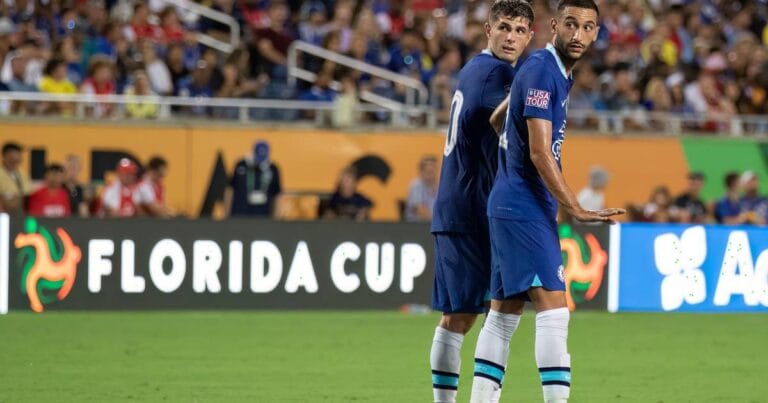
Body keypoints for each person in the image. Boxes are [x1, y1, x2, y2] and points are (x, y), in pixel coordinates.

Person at [475, 1, 624, 402]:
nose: (578, 34)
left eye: (587, 27)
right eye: (571, 24)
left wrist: (509, 163)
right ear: (555, 25)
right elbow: (541, 152)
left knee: (503, 315)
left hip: (511, 202)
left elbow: (498, 120)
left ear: (596, 33)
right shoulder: (544, 70)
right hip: (524, 205)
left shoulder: (546, 69)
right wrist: (575, 207)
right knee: (554, 311)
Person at [427, 2, 535, 402]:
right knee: (499, 311)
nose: (511, 37)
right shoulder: (497, 73)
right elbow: (523, 124)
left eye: (520, 30)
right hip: (473, 207)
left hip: (461, 205)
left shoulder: (475, 69)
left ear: (530, 35)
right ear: (488, 30)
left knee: (461, 316)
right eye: (504, 27)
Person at [225, 141, 282, 218]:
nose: (259, 162)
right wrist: (227, 213)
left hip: (263, 215)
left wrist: (276, 216)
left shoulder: (273, 168)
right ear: (253, 153)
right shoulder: (241, 165)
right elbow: (229, 190)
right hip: (240, 213)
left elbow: (277, 194)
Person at [0, 142, 32, 214]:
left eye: (20, 154)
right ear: (7, 155)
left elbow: (27, 193)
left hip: (20, 214)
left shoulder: (22, 174)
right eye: (17, 153)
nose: (20, 156)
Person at [405, 155, 438, 222]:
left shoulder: (439, 186)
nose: (431, 174)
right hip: (417, 225)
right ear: (421, 171)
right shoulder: (416, 186)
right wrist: (438, 222)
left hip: (434, 224)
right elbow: (420, 210)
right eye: (428, 171)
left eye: (432, 171)